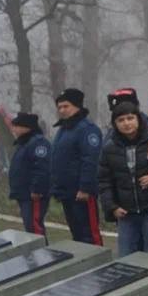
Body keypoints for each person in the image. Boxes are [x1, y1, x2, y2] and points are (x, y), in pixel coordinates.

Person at [99, 102, 148, 256]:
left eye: (130, 118)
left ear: (138, 119)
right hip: (125, 212)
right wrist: (112, 207)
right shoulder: (109, 148)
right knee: (126, 256)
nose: (126, 123)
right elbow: (104, 180)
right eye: (121, 120)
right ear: (115, 124)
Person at [50, 88, 103, 245]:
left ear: (77, 106)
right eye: (59, 107)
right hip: (67, 192)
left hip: (82, 192)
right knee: (77, 234)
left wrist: (85, 187)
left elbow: (90, 160)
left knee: (89, 234)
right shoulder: (63, 130)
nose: (62, 110)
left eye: (66, 106)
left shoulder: (87, 129)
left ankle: (98, 263)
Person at [8, 112, 51, 235]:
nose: (13, 129)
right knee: (29, 227)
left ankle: (41, 253)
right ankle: (34, 252)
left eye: (16, 126)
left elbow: (42, 168)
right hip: (24, 194)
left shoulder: (38, 143)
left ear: (26, 127)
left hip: (33, 195)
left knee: (34, 227)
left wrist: (37, 189)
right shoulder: (24, 143)